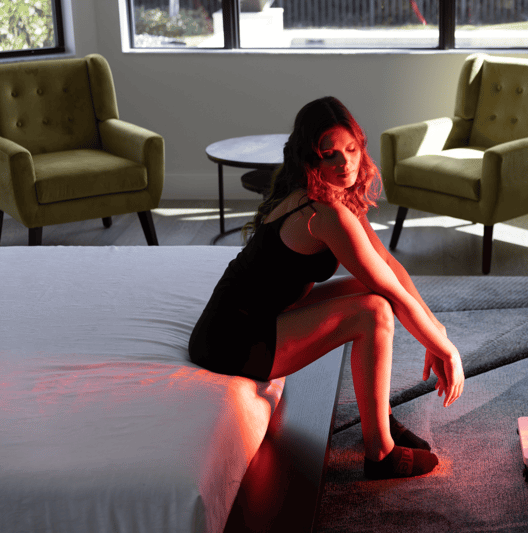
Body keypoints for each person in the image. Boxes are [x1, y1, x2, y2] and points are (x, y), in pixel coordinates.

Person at [189, 96, 464, 479]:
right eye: (329, 154)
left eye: (351, 149)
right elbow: (392, 293)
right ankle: (380, 454)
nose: (344, 163)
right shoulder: (324, 214)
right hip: (231, 341)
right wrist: (443, 349)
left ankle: (378, 414)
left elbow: (388, 265)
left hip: (255, 318)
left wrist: (438, 329)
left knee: (366, 291)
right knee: (375, 310)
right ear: (310, 159)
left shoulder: (332, 198)